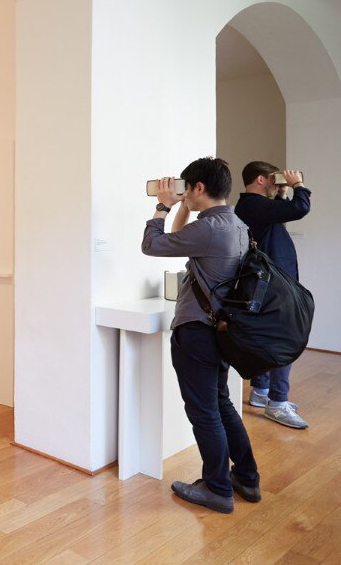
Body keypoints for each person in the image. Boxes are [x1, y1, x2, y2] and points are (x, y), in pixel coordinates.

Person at [141, 157, 260, 513]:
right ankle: (247, 478)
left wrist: (162, 207)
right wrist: (182, 207)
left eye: (186, 188)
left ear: (199, 187)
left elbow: (153, 244)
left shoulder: (209, 229)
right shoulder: (236, 225)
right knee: (221, 405)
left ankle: (218, 489)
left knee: (205, 413)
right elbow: (179, 240)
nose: (183, 193)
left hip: (196, 333)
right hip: (221, 331)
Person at [235, 162, 311, 429]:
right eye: (273, 179)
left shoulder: (252, 206)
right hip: (274, 284)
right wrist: (298, 185)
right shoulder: (254, 205)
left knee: (268, 335)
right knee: (285, 337)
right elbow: (300, 208)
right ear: (260, 179)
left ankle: (261, 391)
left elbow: (279, 215)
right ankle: (278, 402)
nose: (278, 182)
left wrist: (280, 193)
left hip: (270, 281)